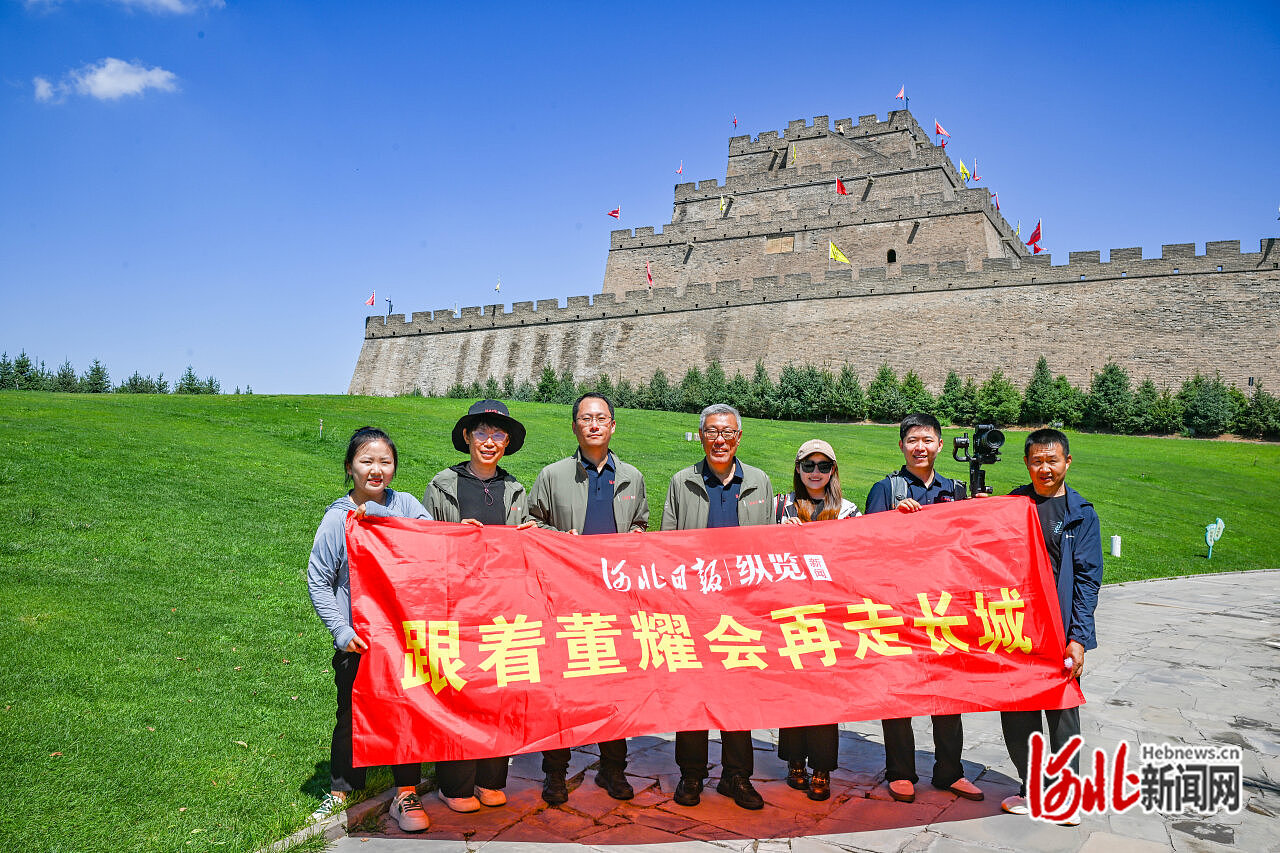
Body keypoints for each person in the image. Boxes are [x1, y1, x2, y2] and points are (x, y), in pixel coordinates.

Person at [306, 426, 431, 832]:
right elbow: (318, 580)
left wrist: (378, 517)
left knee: (406, 713)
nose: (376, 470)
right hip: (359, 643)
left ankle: (406, 791)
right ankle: (341, 790)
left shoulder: (408, 505)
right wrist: (341, 632)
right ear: (350, 467)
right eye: (367, 461)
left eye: (385, 462)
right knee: (351, 716)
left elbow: (432, 546)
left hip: (403, 639)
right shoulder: (337, 519)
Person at [528, 392, 650, 805]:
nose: (594, 424)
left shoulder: (632, 476)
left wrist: (636, 539)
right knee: (559, 690)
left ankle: (613, 768)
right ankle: (555, 772)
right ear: (575, 426)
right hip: (564, 602)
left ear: (613, 425)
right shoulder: (553, 475)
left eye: (601, 418)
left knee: (615, 689)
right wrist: (561, 541)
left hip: (614, 603)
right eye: (586, 418)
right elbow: (531, 525)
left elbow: (642, 527)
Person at [864, 412, 984, 805]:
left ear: (940, 445)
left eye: (927, 440)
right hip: (898, 607)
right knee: (899, 693)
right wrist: (894, 521)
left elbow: (972, 548)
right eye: (912, 440)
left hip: (945, 608)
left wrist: (983, 512)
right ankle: (900, 771)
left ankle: (950, 771)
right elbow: (863, 545)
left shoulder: (956, 490)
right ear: (901, 445)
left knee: (947, 695)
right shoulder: (886, 489)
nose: (920, 447)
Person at [662, 403, 774, 811]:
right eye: (712, 431)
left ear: (739, 437)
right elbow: (666, 546)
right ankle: (691, 774)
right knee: (692, 693)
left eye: (727, 432)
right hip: (693, 606)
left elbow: (768, 546)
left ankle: (736, 775)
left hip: (741, 609)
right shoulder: (681, 481)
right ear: (701, 435)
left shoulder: (760, 481)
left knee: (737, 695)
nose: (720, 439)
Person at [423, 400, 534, 813]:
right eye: (482, 433)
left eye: (499, 435)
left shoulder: (515, 489)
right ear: (467, 437)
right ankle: (454, 785)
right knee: (459, 692)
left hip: (504, 609)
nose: (490, 442)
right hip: (458, 608)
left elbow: (527, 545)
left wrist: (533, 535)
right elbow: (424, 540)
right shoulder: (443, 484)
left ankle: (491, 778)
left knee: (500, 693)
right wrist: (455, 535)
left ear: (508, 442)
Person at [998, 428, 1102, 824]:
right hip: (1013, 629)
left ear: (1067, 462)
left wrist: (1078, 639)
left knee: (1061, 714)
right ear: (1027, 463)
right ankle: (1032, 787)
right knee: (1017, 712)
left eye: (1052, 460)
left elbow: (1088, 580)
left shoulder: (1081, 513)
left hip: (1058, 631)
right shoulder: (1013, 505)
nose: (1045, 468)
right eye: (1037, 461)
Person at [774, 439, 861, 801]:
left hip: (830, 615)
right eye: (808, 465)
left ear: (833, 471)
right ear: (797, 469)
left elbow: (860, 559)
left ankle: (822, 767)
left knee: (826, 697)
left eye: (823, 466)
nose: (815, 472)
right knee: (793, 692)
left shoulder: (848, 511)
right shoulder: (780, 507)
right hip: (789, 612)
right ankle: (794, 760)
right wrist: (783, 536)